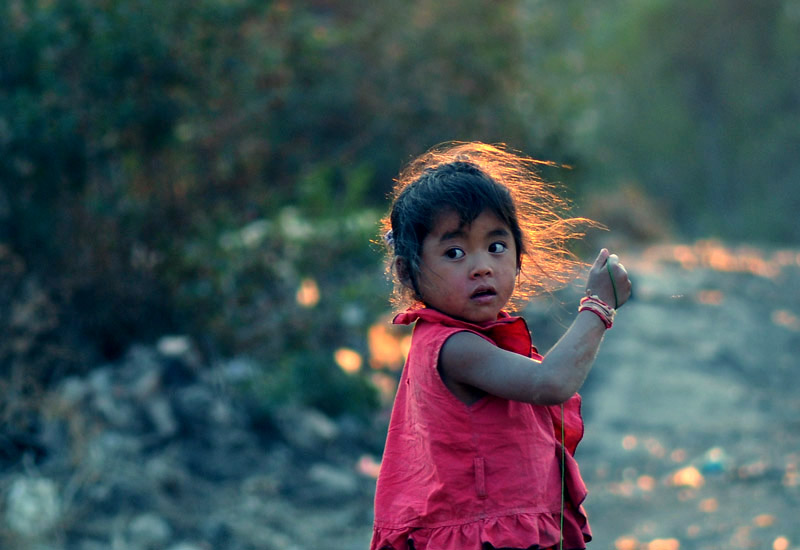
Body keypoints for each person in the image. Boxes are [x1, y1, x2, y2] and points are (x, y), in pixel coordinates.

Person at [371, 142, 632, 550]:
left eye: (496, 246)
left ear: (518, 256)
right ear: (408, 273)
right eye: (454, 252)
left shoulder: (481, 338)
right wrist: (598, 307)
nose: (482, 266)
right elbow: (550, 383)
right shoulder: (453, 347)